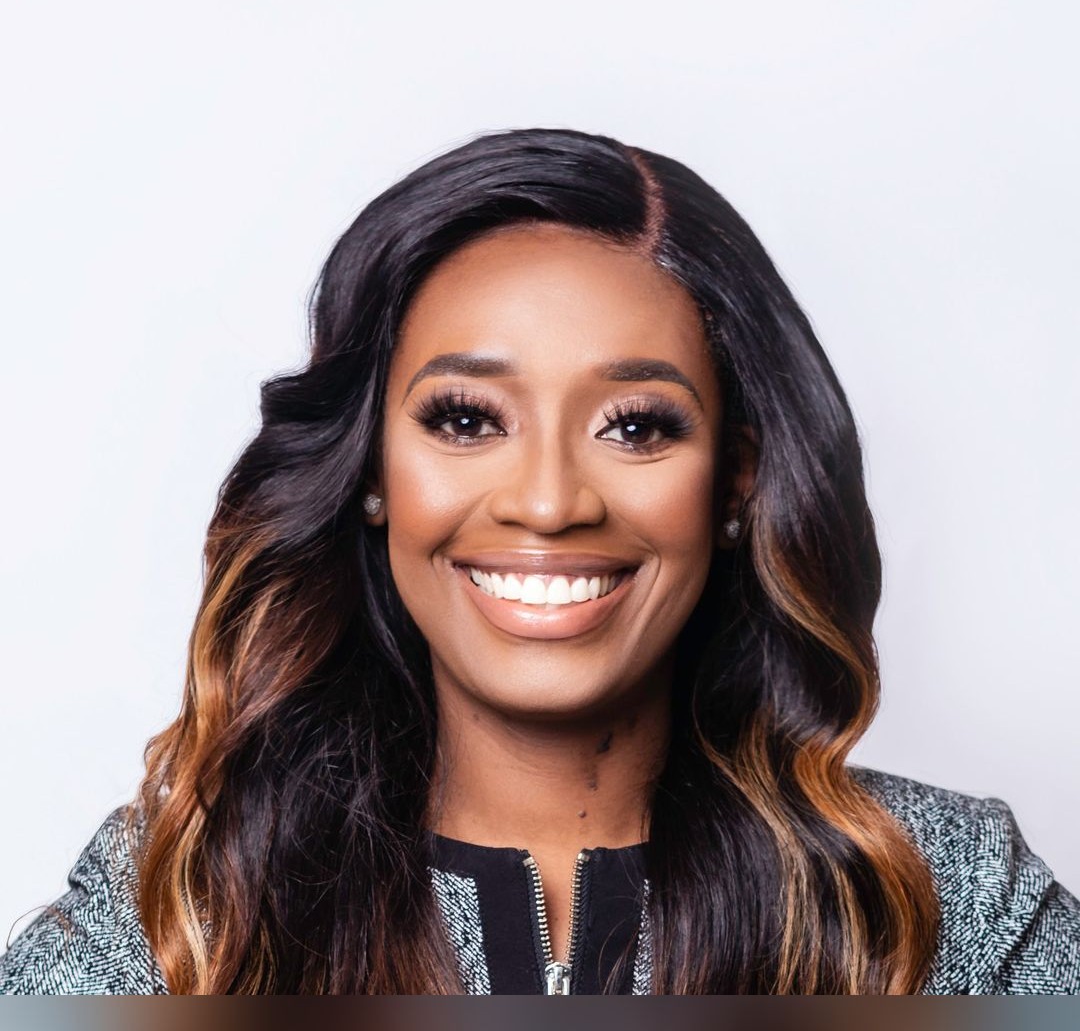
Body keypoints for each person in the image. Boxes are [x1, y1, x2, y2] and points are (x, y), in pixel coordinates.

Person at [1, 128, 1077, 995]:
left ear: (738, 479)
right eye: (467, 420)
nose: (551, 502)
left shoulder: (944, 900)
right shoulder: (185, 897)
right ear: (370, 469)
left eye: (638, 425)